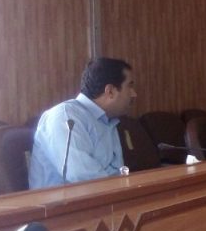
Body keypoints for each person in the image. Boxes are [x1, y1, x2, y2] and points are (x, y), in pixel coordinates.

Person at [29, 57, 137, 188]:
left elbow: (117, 173)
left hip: (105, 197)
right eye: (130, 86)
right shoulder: (66, 117)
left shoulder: (109, 121)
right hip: (69, 201)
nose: (134, 94)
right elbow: (83, 177)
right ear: (110, 91)